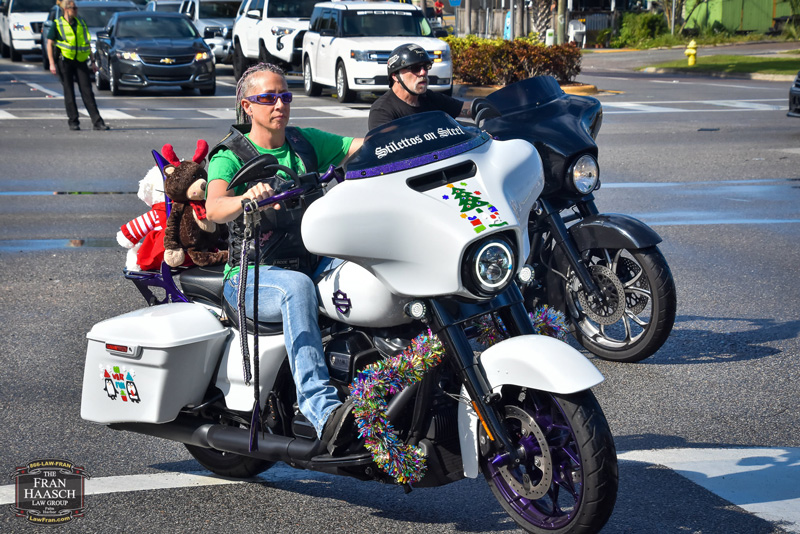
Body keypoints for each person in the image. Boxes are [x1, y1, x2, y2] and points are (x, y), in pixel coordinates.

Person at [205, 63, 364, 453]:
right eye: (268, 98)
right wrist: (246, 198)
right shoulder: (230, 155)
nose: (280, 104)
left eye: (285, 96)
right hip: (251, 275)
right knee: (297, 287)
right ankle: (321, 408)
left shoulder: (304, 142)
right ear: (247, 106)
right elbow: (214, 208)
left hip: (309, 260)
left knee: (367, 270)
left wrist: (414, 139)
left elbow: (360, 147)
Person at [368, 43, 473, 131]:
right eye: (415, 68)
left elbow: (466, 108)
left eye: (426, 67)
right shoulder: (382, 111)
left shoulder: (430, 98)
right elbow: (384, 144)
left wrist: (479, 107)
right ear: (395, 76)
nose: (423, 72)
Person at [46, 0, 109, 131]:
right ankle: (73, 121)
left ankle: (97, 122)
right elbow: (49, 44)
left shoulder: (81, 23)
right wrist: (51, 63)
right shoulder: (57, 24)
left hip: (80, 61)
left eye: (76, 8)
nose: (76, 10)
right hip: (64, 61)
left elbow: (87, 43)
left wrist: (93, 61)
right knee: (69, 92)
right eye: (73, 8)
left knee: (87, 91)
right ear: (66, 9)